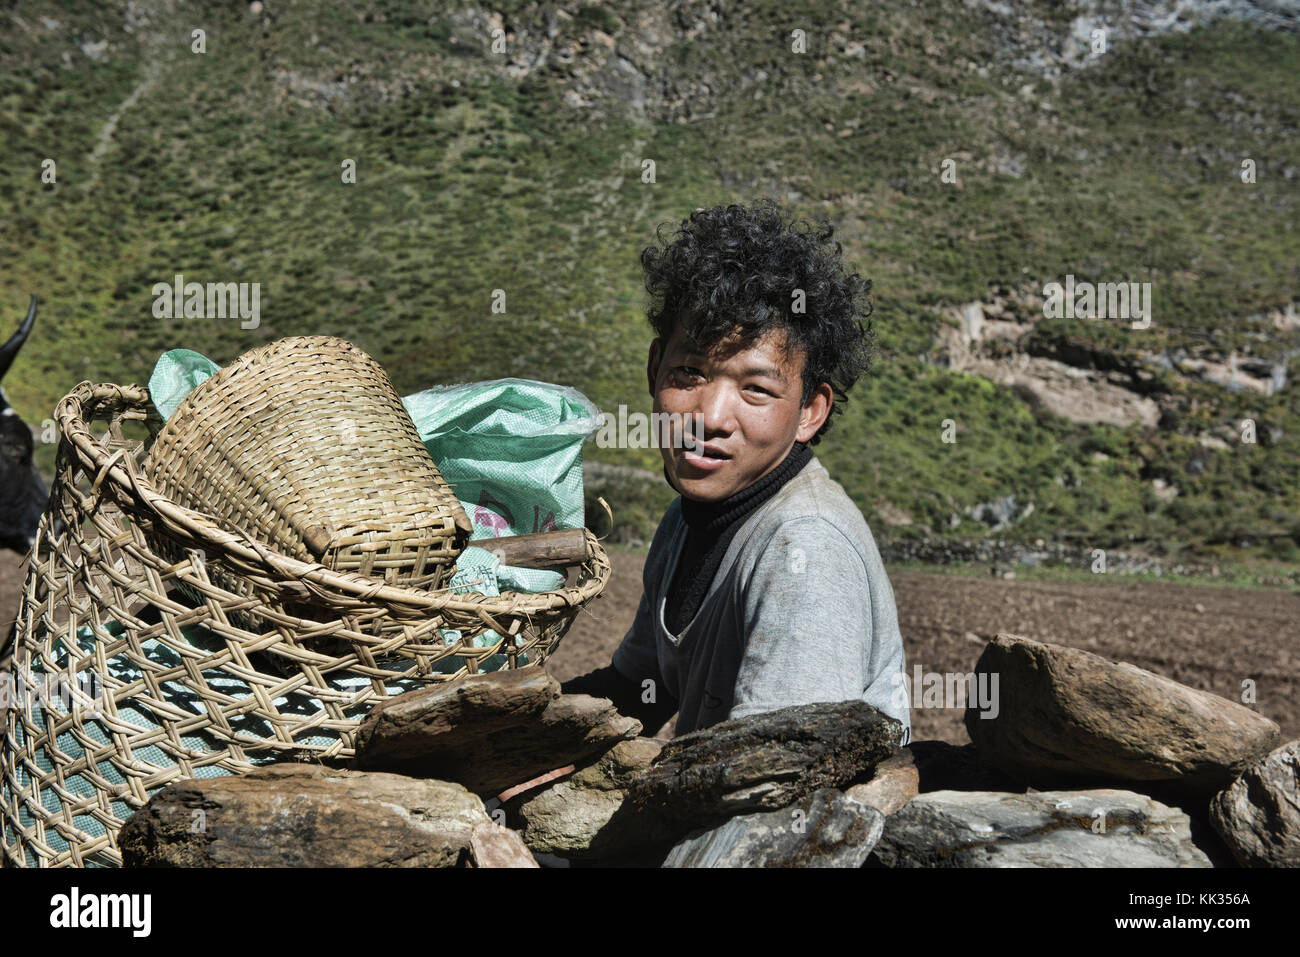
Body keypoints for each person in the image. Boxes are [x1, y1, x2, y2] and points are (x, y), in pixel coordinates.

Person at [562, 199, 910, 743]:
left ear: (810, 412)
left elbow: (780, 769)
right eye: (690, 373)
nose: (710, 418)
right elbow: (636, 690)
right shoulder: (689, 519)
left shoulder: (804, 548)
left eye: (756, 389)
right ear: (655, 369)